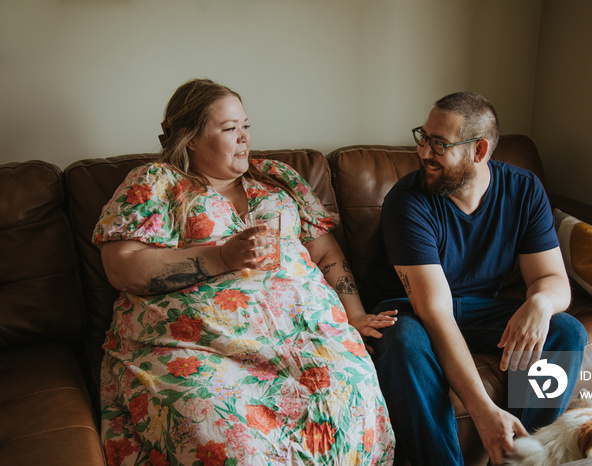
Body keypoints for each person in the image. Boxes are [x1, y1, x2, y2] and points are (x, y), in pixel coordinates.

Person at [94, 78, 396, 465]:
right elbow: (121, 268)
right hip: (201, 347)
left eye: (246, 126)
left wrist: (354, 314)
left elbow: (325, 253)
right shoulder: (156, 183)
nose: (244, 139)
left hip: (306, 337)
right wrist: (221, 257)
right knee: (235, 446)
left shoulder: (275, 178)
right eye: (229, 129)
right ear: (190, 139)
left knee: (352, 399)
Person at [361, 92, 587, 466]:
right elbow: (434, 311)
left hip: (479, 310)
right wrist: (483, 411)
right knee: (401, 338)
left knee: (566, 330)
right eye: (423, 137)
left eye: (439, 144)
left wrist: (540, 303)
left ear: (479, 151)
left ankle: (522, 458)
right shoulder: (408, 200)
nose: (423, 153)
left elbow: (553, 280)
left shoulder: (524, 189)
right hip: (409, 313)